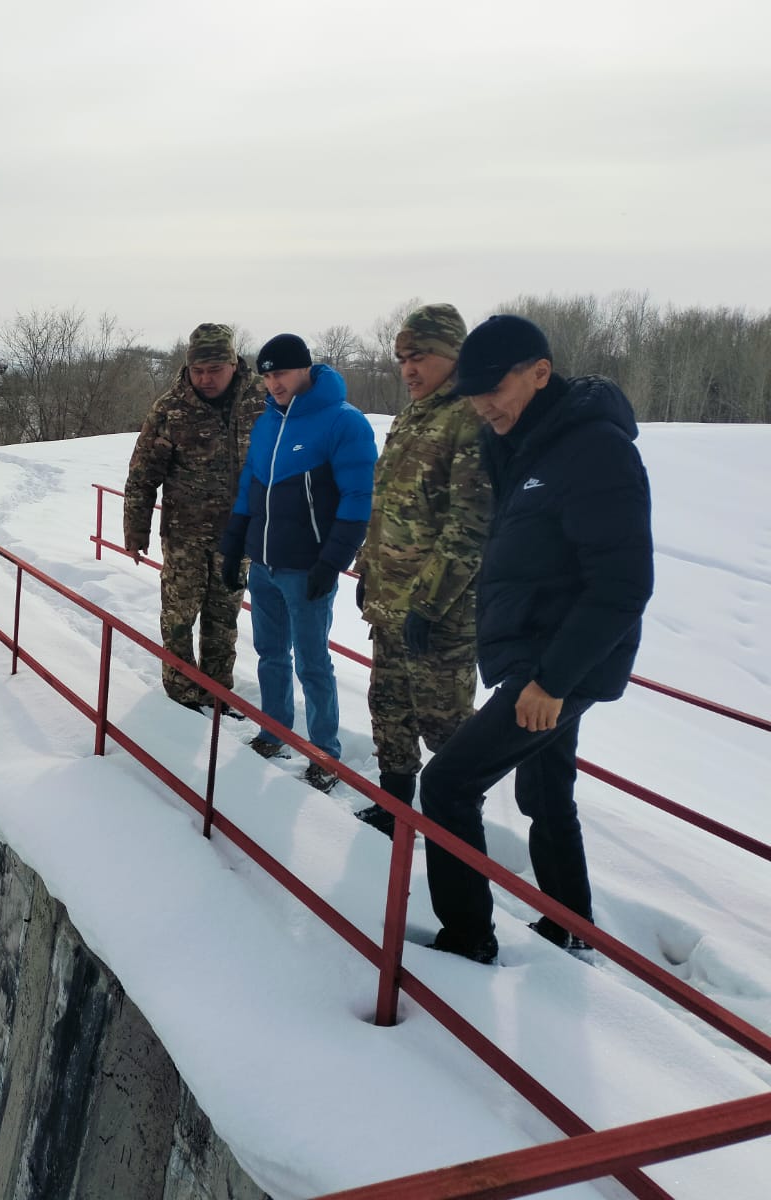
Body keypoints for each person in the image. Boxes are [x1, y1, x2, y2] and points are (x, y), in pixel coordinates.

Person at [418, 315, 653, 965]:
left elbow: (624, 585)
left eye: (494, 387)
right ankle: (571, 925)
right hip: (532, 650)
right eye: (472, 391)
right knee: (545, 791)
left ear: (540, 373)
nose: (481, 403)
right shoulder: (517, 438)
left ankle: (466, 942)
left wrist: (552, 682)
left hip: (559, 665)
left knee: (447, 785)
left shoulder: (596, 450)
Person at [353, 304, 491, 835]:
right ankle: (393, 811)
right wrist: (367, 568)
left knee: (447, 727)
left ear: (453, 355)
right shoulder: (414, 414)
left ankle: (456, 831)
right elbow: (387, 504)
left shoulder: (470, 418)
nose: (408, 369)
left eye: (420, 357)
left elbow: (468, 528)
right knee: (389, 710)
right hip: (391, 605)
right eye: (402, 358)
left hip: (441, 616)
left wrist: (428, 604)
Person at [219, 334, 377, 790]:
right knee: (270, 654)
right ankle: (275, 732)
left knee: (312, 662)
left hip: (306, 566)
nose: (273, 384)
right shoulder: (268, 421)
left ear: (305, 368)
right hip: (265, 562)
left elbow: (357, 498)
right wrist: (234, 545)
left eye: (281, 373)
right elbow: (250, 484)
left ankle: (325, 752)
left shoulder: (343, 422)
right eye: (267, 376)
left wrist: (332, 562)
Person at [124, 323, 266, 712]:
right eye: (197, 370)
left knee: (224, 621)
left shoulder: (261, 402)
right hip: (184, 535)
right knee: (179, 618)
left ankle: (218, 694)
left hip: (238, 535)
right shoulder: (170, 409)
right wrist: (136, 529)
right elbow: (142, 475)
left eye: (214, 370)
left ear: (234, 364)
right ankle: (181, 697)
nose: (204, 379)